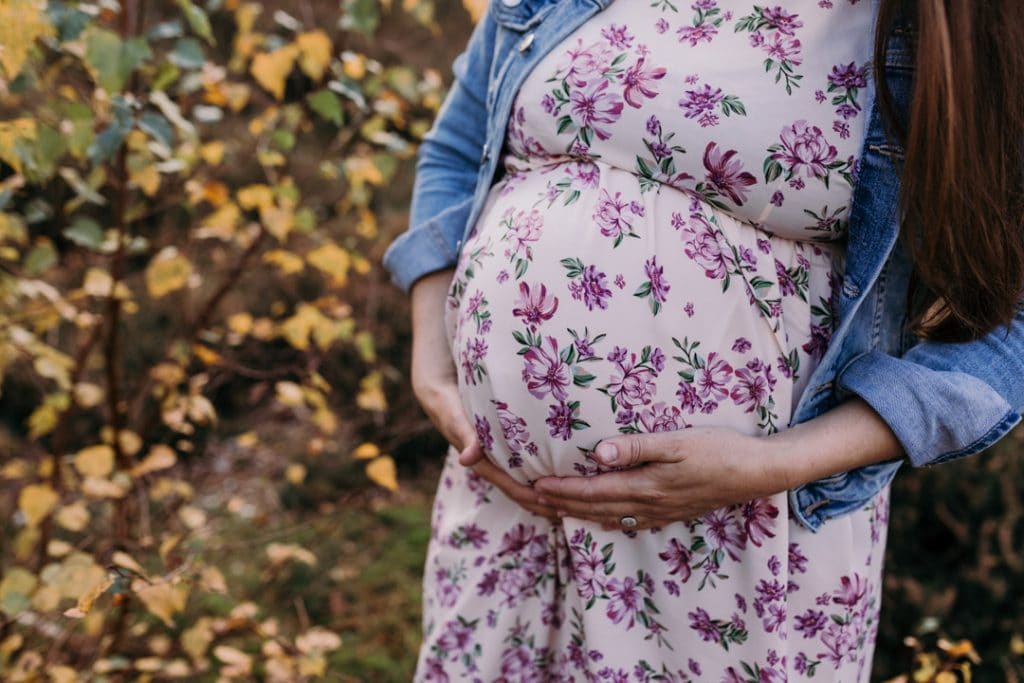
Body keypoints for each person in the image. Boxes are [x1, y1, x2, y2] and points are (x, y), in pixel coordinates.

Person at [381, 0, 1024, 679]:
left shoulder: (942, 24)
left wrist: (776, 465)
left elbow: (1009, 335)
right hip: (509, 514)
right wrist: (432, 357)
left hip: (738, 535)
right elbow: (454, 148)